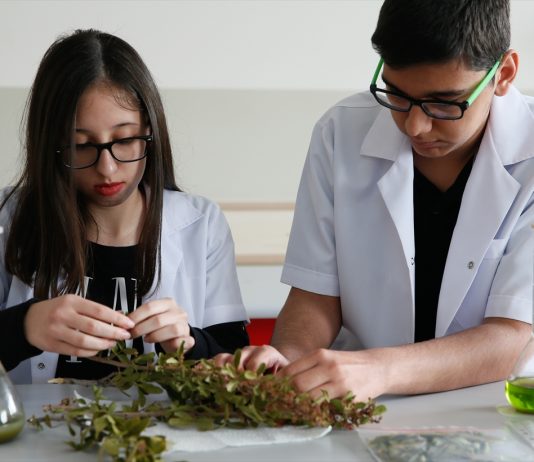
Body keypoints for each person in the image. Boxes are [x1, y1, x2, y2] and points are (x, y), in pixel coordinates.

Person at [216, 0, 533, 400]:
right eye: (396, 95)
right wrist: (286, 360)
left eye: (443, 103)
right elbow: (316, 296)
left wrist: (379, 371)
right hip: (361, 407)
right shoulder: (341, 131)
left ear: (503, 74)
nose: (415, 126)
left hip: (487, 408)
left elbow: (514, 336)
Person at [0, 29, 249, 384]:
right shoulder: (9, 218)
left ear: (150, 130)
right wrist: (23, 327)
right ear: (50, 144)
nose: (107, 168)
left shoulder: (201, 224)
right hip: (36, 421)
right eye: (80, 145)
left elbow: (237, 366)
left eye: (125, 139)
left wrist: (190, 343)